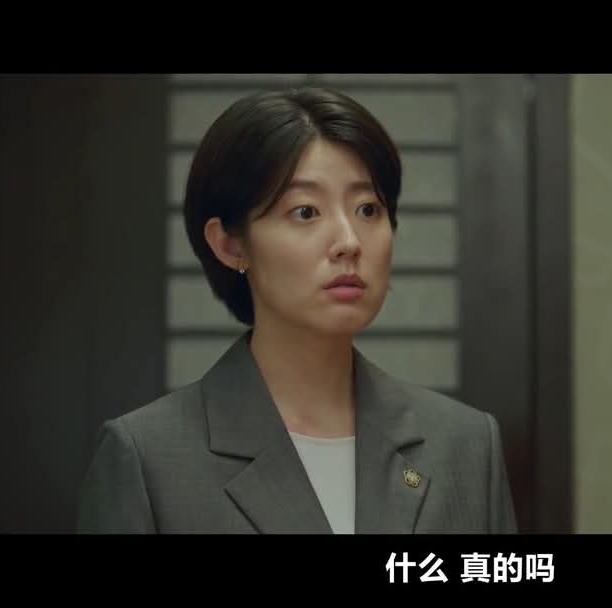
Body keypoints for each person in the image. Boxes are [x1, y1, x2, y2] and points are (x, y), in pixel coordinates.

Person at [76, 87, 518, 534]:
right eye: (306, 212)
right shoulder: (148, 459)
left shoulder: (465, 444)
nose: (349, 241)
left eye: (368, 209)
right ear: (230, 245)